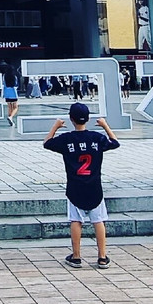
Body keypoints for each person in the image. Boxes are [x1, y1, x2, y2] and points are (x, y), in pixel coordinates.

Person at [44, 102, 121, 270]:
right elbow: (115, 143)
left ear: (71, 119)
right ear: (88, 119)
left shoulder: (67, 139)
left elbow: (47, 143)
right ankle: (102, 256)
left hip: (74, 188)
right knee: (98, 220)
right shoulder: (97, 138)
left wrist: (56, 127)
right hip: (94, 187)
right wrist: (105, 126)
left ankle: (76, 256)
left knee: (76, 220)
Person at [0, 62, 20, 126]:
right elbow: (16, 84)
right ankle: (11, 117)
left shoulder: (4, 76)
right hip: (13, 92)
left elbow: (3, 84)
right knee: (15, 107)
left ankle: (11, 119)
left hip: (7, 93)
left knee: (9, 107)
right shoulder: (14, 76)